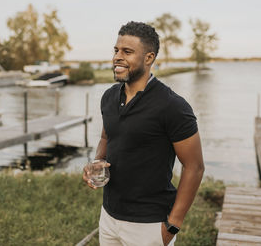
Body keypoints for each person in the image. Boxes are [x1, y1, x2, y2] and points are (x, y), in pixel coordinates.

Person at [83, 21, 205, 246]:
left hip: (149, 225)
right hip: (109, 216)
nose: (117, 57)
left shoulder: (172, 106)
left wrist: (172, 225)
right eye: (116, 50)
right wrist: (98, 161)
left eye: (127, 52)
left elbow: (194, 167)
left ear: (148, 58)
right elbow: (106, 137)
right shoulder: (109, 97)